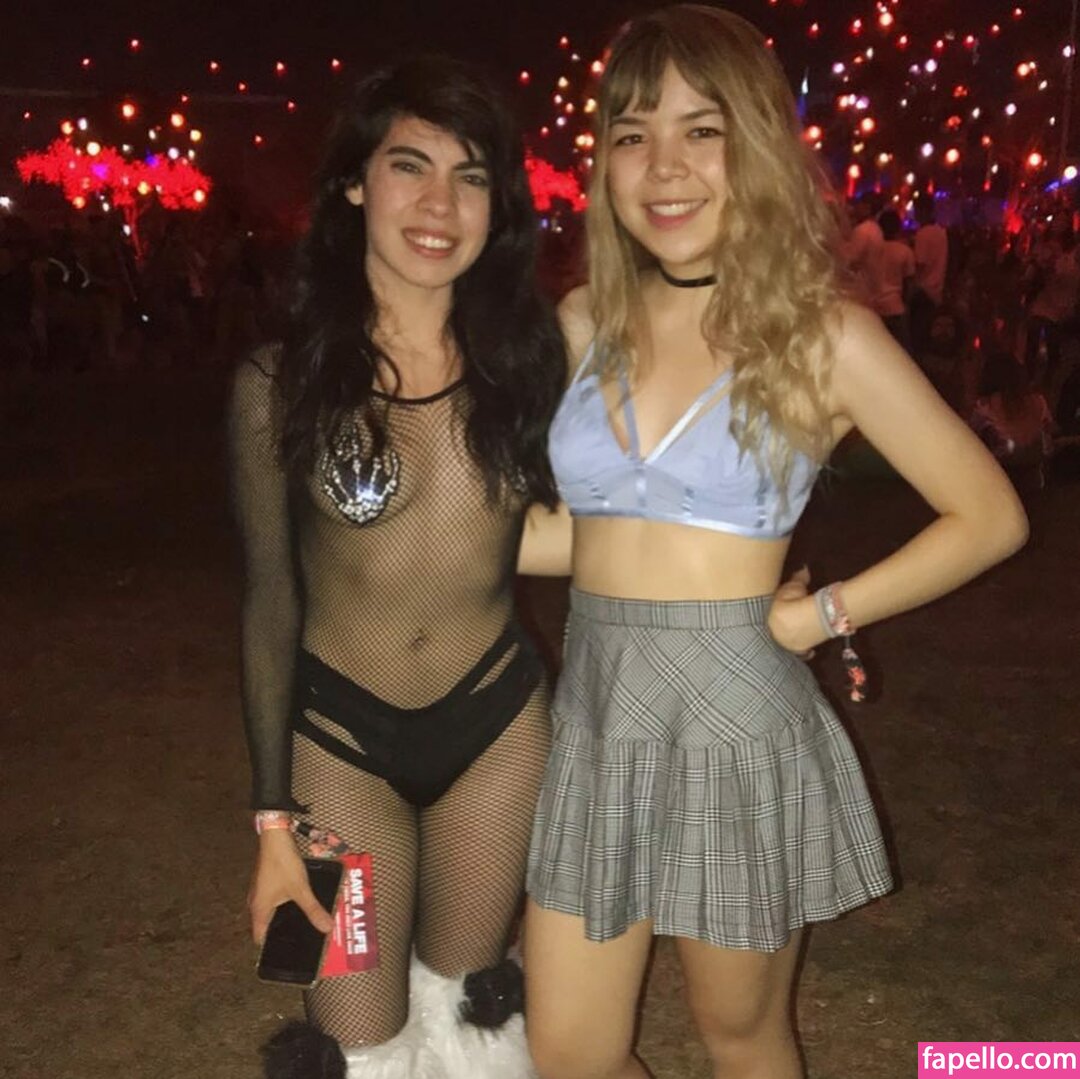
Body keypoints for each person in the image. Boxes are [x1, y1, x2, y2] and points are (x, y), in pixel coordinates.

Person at [517, 8, 1028, 1079]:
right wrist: (415, 535)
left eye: (701, 131)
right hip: (599, 710)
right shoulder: (584, 322)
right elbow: (591, 531)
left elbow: (989, 514)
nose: (665, 166)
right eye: (632, 135)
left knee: (740, 1035)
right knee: (568, 1051)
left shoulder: (825, 335)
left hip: (734, 716)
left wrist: (823, 614)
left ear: (753, 147)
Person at [228, 56, 565, 1079]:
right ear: (352, 184)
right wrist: (272, 823)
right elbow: (270, 602)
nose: (439, 205)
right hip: (341, 746)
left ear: (498, 207)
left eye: (470, 177)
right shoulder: (279, 383)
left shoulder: (530, 362)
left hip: (496, 728)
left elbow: (599, 521)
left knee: (470, 1002)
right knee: (358, 1034)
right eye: (409, 167)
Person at [911, 197, 949, 357]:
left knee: (917, 339)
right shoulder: (941, 232)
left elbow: (919, 265)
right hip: (937, 290)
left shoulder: (923, 234)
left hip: (923, 292)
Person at [876, 208, 915, 352]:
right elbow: (909, 282)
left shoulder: (873, 250)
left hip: (875, 308)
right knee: (901, 352)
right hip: (896, 306)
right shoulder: (904, 251)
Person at [845, 193, 885, 309]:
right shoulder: (876, 229)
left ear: (867, 208)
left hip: (861, 292)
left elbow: (850, 260)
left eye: (859, 205)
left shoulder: (863, 230)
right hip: (873, 290)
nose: (855, 208)